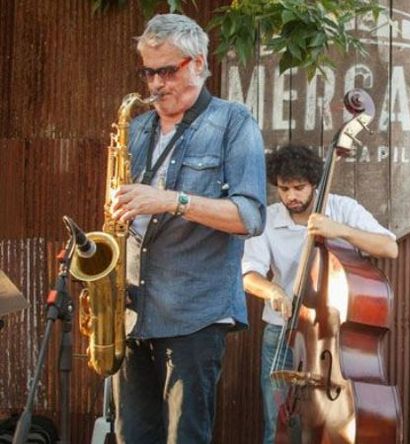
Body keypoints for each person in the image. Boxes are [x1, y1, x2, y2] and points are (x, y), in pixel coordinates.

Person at [108, 14, 267, 444]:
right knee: (132, 436)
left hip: (194, 313)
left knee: (186, 437)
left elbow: (250, 217)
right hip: (130, 311)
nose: (155, 84)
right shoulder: (137, 127)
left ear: (198, 63)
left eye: (167, 70)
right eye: (148, 71)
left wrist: (171, 201)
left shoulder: (234, 121)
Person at [241, 144, 398, 443]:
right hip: (283, 333)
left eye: (299, 188)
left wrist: (340, 230)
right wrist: (272, 289)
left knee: (334, 420)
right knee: (279, 424)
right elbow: (249, 273)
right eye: (284, 189)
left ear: (314, 183)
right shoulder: (269, 218)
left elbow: (389, 247)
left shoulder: (342, 208)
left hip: (332, 337)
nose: (292, 197)